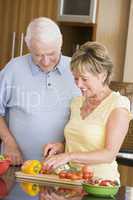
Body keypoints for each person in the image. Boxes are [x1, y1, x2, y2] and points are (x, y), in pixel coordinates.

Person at [43, 41, 132, 182]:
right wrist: (61, 147)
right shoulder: (76, 102)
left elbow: (109, 154)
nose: (78, 84)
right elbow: (81, 143)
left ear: (102, 75)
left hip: (100, 184)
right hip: (72, 181)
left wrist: (68, 156)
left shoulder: (118, 105)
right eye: (75, 78)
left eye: (84, 79)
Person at [0, 17, 80, 165]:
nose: (45, 61)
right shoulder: (13, 69)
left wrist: (63, 145)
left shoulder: (77, 71)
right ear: (28, 45)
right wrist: (9, 143)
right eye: (37, 55)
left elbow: (86, 118)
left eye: (51, 54)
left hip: (62, 169)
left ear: (60, 42)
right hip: (17, 164)